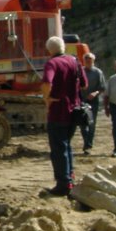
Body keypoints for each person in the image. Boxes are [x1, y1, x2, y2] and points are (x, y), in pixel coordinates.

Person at [41, 36, 87, 197]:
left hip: (58, 111)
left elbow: (47, 82)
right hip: (74, 111)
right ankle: (70, 176)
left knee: (59, 149)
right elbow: (84, 84)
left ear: (49, 50)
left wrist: (47, 98)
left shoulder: (52, 63)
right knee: (67, 145)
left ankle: (63, 183)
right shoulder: (74, 61)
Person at [79, 53, 106, 156]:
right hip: (82, 100)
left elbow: (102, 87)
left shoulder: (98, 72)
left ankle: (88, 145)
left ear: (93, 61)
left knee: (91, 123)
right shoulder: (80, 71)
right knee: (82, 123)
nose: (88, 61)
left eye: (90, 59)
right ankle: (87, 143)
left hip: (92, 101)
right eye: (86, 59)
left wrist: (95, 93)